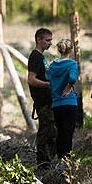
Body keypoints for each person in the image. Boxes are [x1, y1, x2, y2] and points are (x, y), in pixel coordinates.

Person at [27, 28, 56, 167]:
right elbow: (31, 79)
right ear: (39, 39)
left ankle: (48, 160)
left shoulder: (41, 57)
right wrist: (48, 85)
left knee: (51, 130)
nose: (50, 43)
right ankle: (43, 163)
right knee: (46, 132)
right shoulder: (35, 57)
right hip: (42, 102)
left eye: (51, 40)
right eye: (48, 40)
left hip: (48, 101)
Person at [46, 39, 78, 161]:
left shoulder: (53, 65)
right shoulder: (72, 64)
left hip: (56, 104)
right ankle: (67, 162)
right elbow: (73, 78)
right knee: (68, 133)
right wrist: (68, 87)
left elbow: (48, 77)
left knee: (60, 133)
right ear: (71, 50)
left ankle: (60, 160)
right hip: (69, 102)